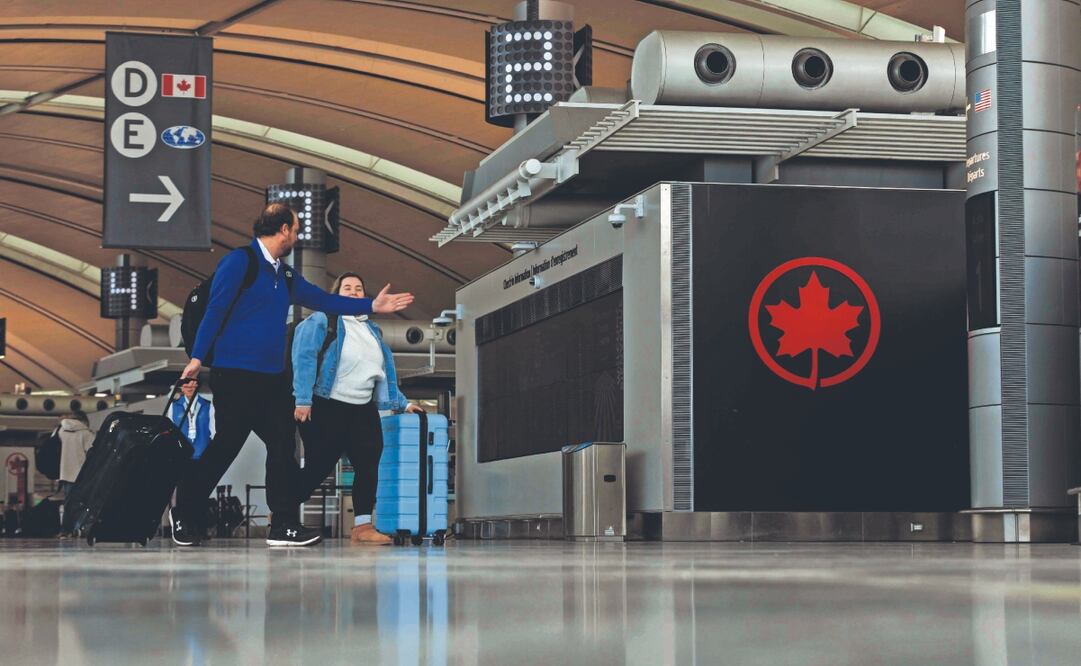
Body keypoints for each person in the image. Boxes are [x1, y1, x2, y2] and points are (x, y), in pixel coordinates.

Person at [173, 202, 414, 548]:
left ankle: (283, 524)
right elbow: (216, 308)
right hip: (234, 375)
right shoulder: (240, 262)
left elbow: (322, 299)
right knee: (226, 447)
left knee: (283, 447)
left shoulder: (283, 275)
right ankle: (186, 512)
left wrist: (371, 305)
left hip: (272, 379)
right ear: (283, 229)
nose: (298, 236)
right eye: (296, 229)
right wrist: (197, 357)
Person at [292, 272, 423, 545]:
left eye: (358, 288)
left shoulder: (372, 331)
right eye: (347, 287)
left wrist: (404, 403)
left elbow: (382, 374)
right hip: (327, 404)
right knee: (319, 466)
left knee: (368, 464)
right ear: (336, 294)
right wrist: (302, 398)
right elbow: (303, 357)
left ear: (365, 297)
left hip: (362, 408)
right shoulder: (323, 319)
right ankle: (283, 510)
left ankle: (363, 526)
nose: (353, 291)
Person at [169, 380, 215, 460]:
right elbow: (170, 430)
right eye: (186, 386)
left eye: (192, 386)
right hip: (181, 452)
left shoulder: (208, 405)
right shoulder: (173, 406)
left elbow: (213, 430)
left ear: (197, 387)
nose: (189, 389)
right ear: (182, 388)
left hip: (203, 451)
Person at [57, 410, 94, 493]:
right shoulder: (86, 433)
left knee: (68, 500)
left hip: (64, 472)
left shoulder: (62, 430)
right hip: (80, 474)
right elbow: (92, 452)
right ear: (84, 420)